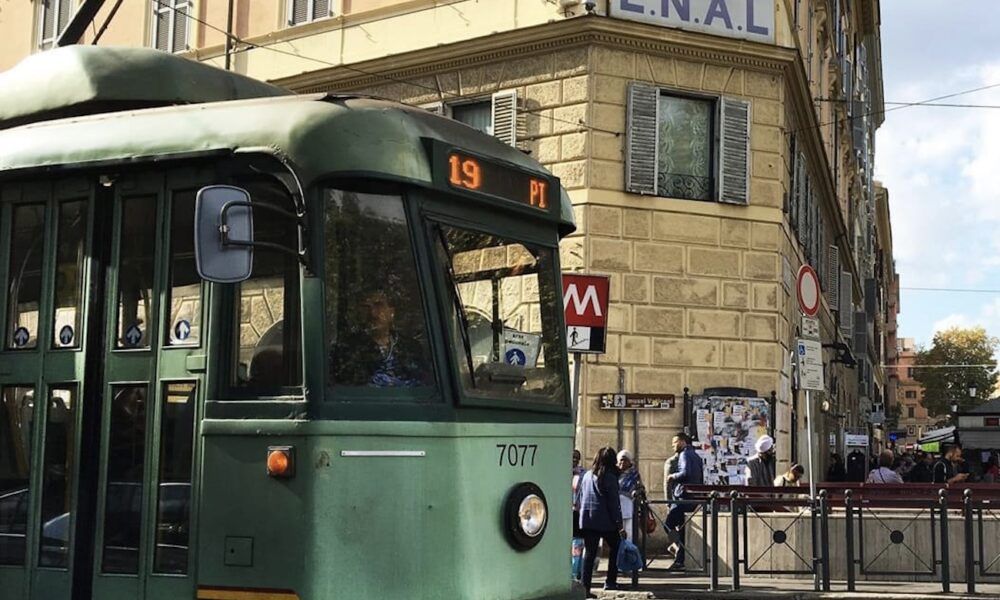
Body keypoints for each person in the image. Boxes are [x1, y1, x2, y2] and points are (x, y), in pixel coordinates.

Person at [578, 447, 626, 596]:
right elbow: (614, 503)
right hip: (606, 521)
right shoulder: (609, 477)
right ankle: (610, 581)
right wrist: (619, 525)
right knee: (616, 546)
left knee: (589, 554)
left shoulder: (587, 475)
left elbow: (580, 496)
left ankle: (585, 589)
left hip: (587, 519)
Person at [662, 432, 704, 572]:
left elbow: (685, 473)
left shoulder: (684, 454)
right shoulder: (697, 456)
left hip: (683, 497)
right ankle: (680, 558)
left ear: (682, 442)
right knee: (683, 529)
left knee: (668, 524)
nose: (672, 445)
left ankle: (679, 550)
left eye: (675, 442)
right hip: (693, 498)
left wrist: (672, 476)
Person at [571, 449, 586, 581]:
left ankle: (576, 572)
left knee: (577, 543)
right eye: (572, 457)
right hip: (562, 513)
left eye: (577, 457)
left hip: (577, 513)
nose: (574, 459)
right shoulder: (559, 471)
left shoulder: (583, 474)